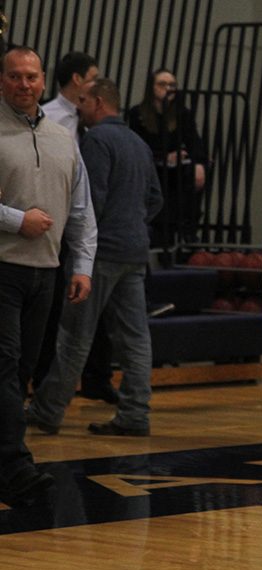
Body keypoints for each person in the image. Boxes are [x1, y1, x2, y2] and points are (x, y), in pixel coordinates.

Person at [26, 77, 162, 436]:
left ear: (100, 103)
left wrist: (81, 241)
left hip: (101, 253)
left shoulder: (98, 140)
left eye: (84, 101)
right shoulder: (138, 142)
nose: (79, 107)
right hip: (135, 250)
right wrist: (133, 224)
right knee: (136, 338)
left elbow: (91, 200)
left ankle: (48, 410)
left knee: (75, 335)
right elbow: (155, 199)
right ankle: (135, 414)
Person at [0, 46, 97, 506]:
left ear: (43, 81)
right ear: (3, 80)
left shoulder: (63, 136)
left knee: (23, 370)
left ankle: (7, 461)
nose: (24, 84)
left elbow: (81, 210)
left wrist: (81, 266)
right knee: (5, 365)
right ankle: (15, 465)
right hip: (3, 267)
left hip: (47, 272)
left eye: (31, 77)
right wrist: (17, 220)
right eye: (15, 76)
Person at [34, 51, 118, 405]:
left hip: (82, 223)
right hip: (49, 222)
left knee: (93, 312)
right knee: (53, 313)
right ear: (77, 81)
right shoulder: (47, 118)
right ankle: (43, 385)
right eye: (92, 75)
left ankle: (96, 379)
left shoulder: (93, 125)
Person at [127, 68, 207, 249]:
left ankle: (187, 232)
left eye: (172, 85)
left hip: (175, 173)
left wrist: (199, 164)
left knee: (190, 174)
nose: (168, 88)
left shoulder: (182, 114)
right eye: (162, 84)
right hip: (151, 170)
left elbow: (195, 143)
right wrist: (164, 156)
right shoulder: (138, 114)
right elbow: (138, 146)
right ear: (151, 87)